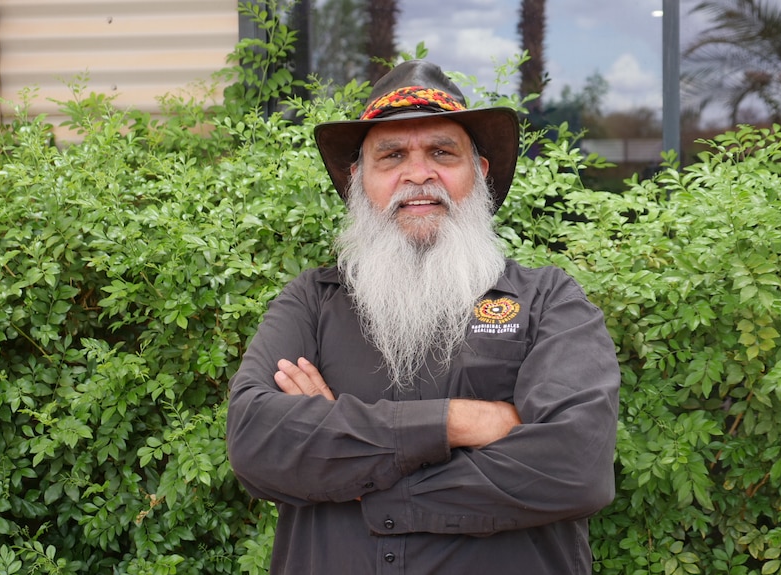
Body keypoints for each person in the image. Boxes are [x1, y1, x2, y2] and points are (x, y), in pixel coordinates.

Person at [227, 59, 620, 575]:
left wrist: (352, 467)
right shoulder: (311, 301)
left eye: (442, 152)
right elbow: (259, 443)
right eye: (391, 155)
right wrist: (460, 422)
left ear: (477, 172)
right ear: (358, 180)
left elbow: (574, 467)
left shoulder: (550, 301)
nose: (418, 174)